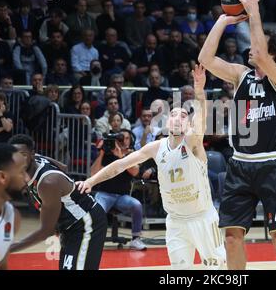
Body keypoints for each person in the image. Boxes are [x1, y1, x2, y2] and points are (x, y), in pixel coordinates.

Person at [78, 64, 226, 270]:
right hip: (176, 222)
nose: (177, 117)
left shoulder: (193, 142)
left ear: (189, 125)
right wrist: (91, 181)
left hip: (202, 218)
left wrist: (199, 89)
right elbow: (120, 164)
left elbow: (201, 116)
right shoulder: (156, 148)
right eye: (173, 114)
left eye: (184, 115)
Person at [198, 0, 276, 270]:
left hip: (270, 166)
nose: (252, 48)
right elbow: (205, 59)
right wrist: (222, 21)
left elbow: (263, 56)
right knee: (231, 238)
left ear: (272, 53)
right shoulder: (241, 75)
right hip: (239, 166)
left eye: (260, 45)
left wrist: (254, 11)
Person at [8, 134, 107, 270]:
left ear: (32, 154)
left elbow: (45, 231)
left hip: (87, 223)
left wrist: (8, 248)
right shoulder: (34, 162)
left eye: (23, 154)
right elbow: (63, 167)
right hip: (69, 226)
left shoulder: (48, 182)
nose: (19, 159)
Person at [91, 129, 147, 250]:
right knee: (97, 209)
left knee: (136, 205)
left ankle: (136, 239)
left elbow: (135, 172)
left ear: (130, 140)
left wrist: (121, 157)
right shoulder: (106, 154)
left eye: (126, 138)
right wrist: (101, 153)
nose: (124, 141)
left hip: (122, 197)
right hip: (104, 193)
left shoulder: (132, 155)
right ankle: (94, 239)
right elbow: (93, 173)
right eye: (121, 138)